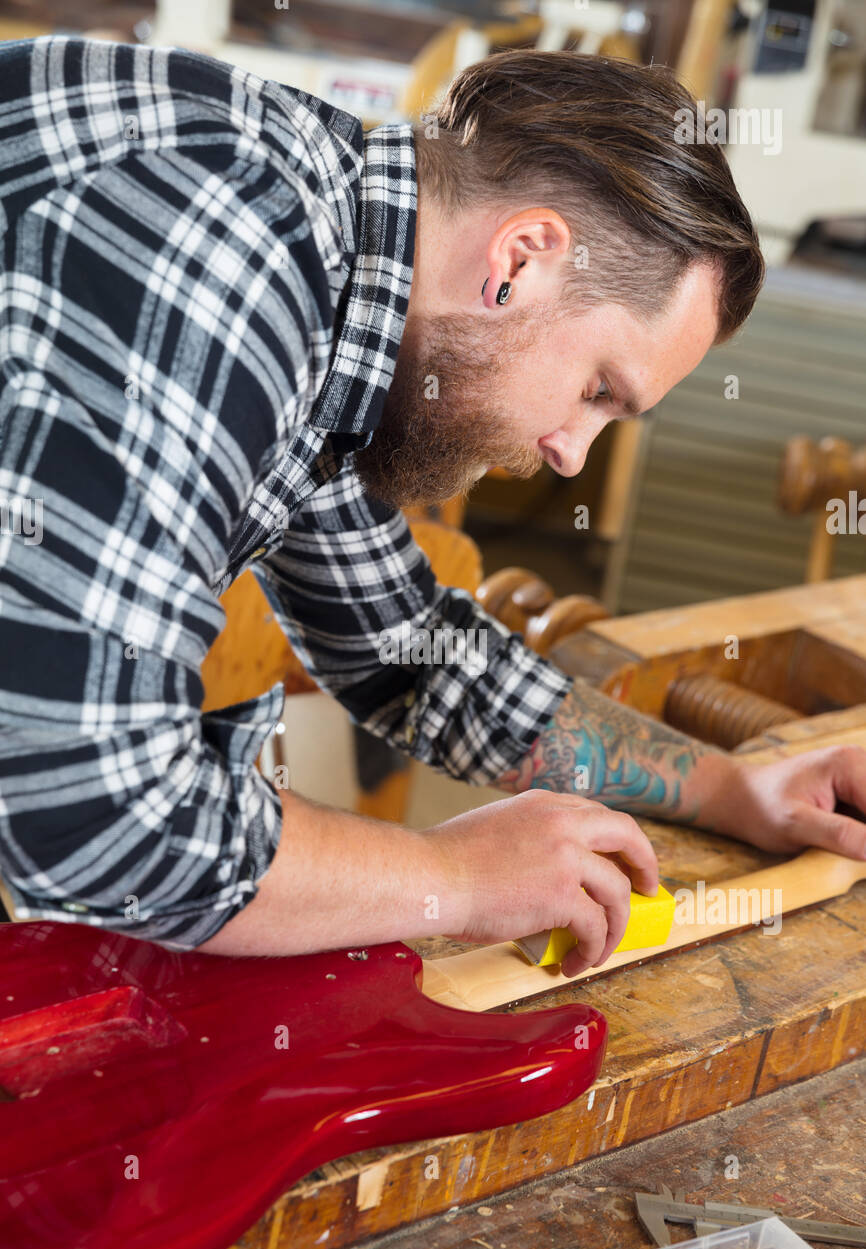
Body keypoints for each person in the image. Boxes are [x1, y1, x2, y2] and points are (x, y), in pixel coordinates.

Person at [1, 37, 863, 977]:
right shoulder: (226, 249)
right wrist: (452, 876)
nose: (573, 456)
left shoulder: (341, 288)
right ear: (521, 259)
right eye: (598, 389)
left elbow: (407, 654)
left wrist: (739, 789)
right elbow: (87, 809)